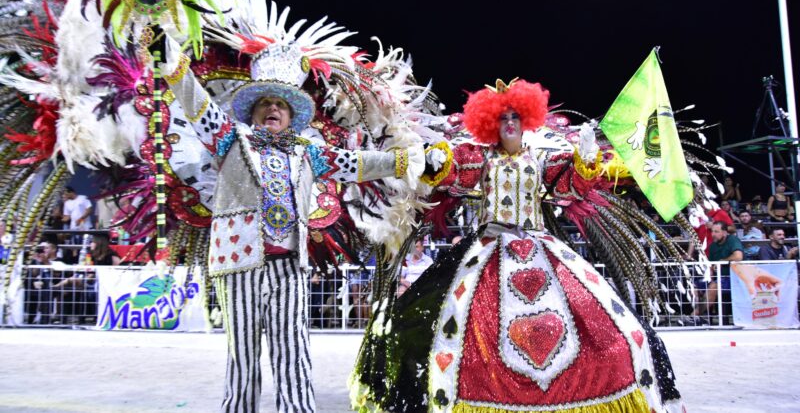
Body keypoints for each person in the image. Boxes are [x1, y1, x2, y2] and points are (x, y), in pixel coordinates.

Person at [350, 79, 684, 412]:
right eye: (502, 118)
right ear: (490, 124)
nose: (509, 123)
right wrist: (438, 163)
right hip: (488, 247)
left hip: (539, 245)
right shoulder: (478, 158)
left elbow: (569, 188)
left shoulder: (541, 159)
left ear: (527, 122)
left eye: (516, 118)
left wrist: (585, 160)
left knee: (604, 323)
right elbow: (453, 173)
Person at [161, 24, 423, 412]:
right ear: (253, 111)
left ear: (290, 116)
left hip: (289, 268)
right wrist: (171, 62)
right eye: (265, 103)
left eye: (280, 105)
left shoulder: (307, 152)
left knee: (293, 351)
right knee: (243, 355)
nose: (272, 109)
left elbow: (354, 164)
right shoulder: (231, 139)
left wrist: (407, 161)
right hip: (239, 265)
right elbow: (198, 106)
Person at [696, 221, 744, 319]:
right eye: (712, 231)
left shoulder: (733, 240)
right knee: (694, 286)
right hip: (717, 278)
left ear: (725, 232)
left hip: (733, 278)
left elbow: (738, 256)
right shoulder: (713, 246)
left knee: (714, 286)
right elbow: (710, 266)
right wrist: (709, 274)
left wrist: (722, 261)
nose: (713, 234)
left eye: (716, 232)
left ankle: (694, 316)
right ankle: (702, 318)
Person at [24, 241, 56, 324]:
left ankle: (45, 320)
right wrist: (37, 261)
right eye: (41, 249)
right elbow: (33, 274)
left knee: (46, 289)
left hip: (51, 287)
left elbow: (56, 274)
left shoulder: (55, 262)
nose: (43, 251)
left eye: (46, 248)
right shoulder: (34, 261)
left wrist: (45, 262)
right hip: (33, 288)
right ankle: (30, 319)